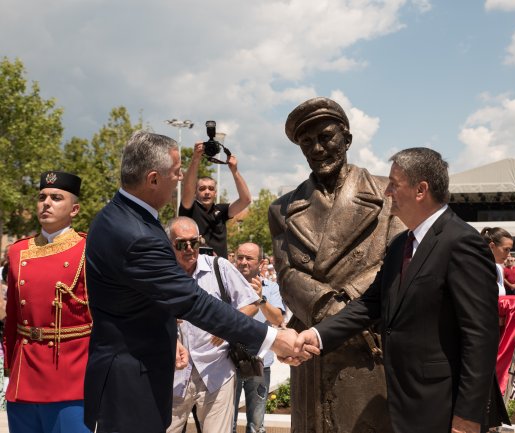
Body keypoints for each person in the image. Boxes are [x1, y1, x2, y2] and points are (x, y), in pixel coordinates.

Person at [83, 130, 306, 433]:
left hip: (133, 372)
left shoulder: (120, 218)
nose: (179, 180)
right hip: (132, 383)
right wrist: (272, 338)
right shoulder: (136, 235)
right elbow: (193, 301)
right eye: (176, 173)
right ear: (152, 179)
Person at [296, 147, 509, 433]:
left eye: (394, 184)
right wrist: (318, 335)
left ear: (421, 190)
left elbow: (480, 336)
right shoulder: (400, 246)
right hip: (405, 402)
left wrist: (468, 415)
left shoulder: (462, 243)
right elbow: (371, 303)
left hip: (445, 407)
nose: (387, 192)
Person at [268, 97, 404, 433]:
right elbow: (287, 276)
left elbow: (399, 261)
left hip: (369, 342)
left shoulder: (388, 193)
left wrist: (347, 312)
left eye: (325, 137)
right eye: (306, 142)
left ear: (347, 139)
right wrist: (331, 315)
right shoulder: (283, 209)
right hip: (313, 349)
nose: (317, 148)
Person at [2, 171, 92, 433]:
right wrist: (10, 367)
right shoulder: (17, 251)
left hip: (71, 375)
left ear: (74, 209)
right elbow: (12, 318)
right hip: (25, 374)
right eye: (42, 197)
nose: (46, 203)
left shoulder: (88, 248)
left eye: (56, 197)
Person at [166, 217, 259, 433]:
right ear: (169, 244)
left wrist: (226, 327)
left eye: (194, 242)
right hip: (172, 376)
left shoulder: (220, 268)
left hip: (217, 373)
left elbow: (252, 304)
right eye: (181, 244)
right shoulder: (161, 275)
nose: (189, 248)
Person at [234, 242, 286, 433]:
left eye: (249, 258)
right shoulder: (226, 286)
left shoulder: (271, 288)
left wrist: (261, 300)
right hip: (229, 363)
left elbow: (278, 319)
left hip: (259, 363)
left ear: (261, 263)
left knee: (256, 425)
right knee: (226, 423)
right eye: (240, 257)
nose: (243, 262)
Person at [179, 142, 251, 257]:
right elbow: (188, 188)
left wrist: (234, 171)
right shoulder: (189, 208)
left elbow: (245, 200)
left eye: (211, 188)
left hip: (219, 267)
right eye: (202, 189)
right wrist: (196, 158)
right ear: (195, 193)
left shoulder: (221, 210)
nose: (207, 192)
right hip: (196, 267)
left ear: (215, 193)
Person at [481, 227, 515, 397]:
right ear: (492, 246)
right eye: (506, 249)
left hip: (501, 329)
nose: (508, 254)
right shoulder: (479, 266)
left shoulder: (498, 268)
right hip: (488, 330)